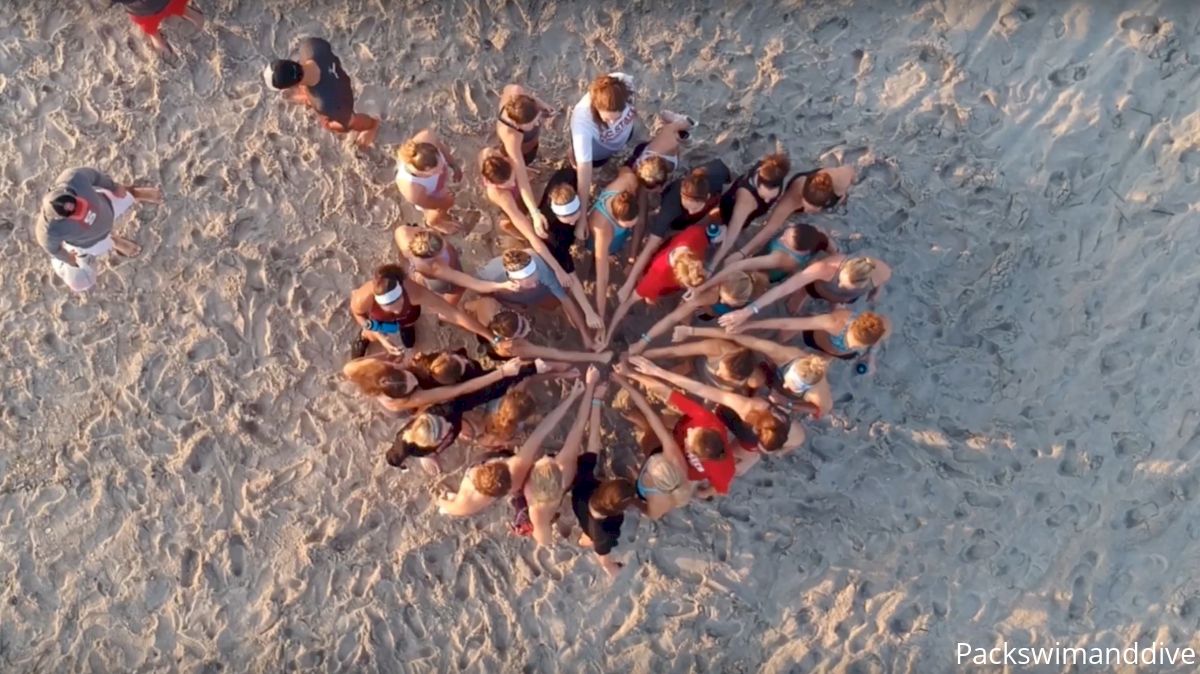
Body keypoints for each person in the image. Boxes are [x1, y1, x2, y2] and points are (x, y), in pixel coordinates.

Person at [436, 379, 587, 518]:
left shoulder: (467, 503)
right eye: (501, 460)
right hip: (511, 476)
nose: (500, 459)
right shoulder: (516, 466)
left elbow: (450, 507)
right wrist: (571, 397)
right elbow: (544, 428)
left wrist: (440, 501)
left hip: (479, 485)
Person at [627, 356, 805, 466]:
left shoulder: (753, 409)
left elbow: (701, 389)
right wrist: (772, 451)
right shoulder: (758, 412)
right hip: (747, 436)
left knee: (734, 457)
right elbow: (797, 439)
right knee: (737, 455)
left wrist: (658, 371)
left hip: (748, 438)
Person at [386, 359, 543, 474]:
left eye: (441, 425)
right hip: (425, 448)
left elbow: (484, 391)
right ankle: (429, 455)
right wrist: (424, 456)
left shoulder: (449, 409)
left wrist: (530, 369)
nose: (445, 429)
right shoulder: (405, 442)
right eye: (440, 435)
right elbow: (393, 457)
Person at [617, 161, 731, 313]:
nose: (691, 211)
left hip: (703, 215)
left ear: (707, 196)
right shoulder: (670, 210)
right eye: (687, 206)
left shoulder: (717, 173)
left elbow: (727, 182)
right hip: (678, 220)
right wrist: (629, 283)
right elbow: (650, 247)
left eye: (695, 207)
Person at [615, 365, 738, 498]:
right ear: (705, 429)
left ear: (696, 455)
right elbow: (668, 393)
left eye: (690, 438)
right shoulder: (705, 418)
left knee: (650, 448)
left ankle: (647, 427)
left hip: (678, 468)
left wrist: (703, 493)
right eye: (693, 431)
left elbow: (720, 487)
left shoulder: (725, 469)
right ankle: (651, 425)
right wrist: (631, 373)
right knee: (664, 421)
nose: (690, 432)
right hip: (678, 428)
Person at [36, 167, 162, 293]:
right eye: (73, 213)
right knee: (106, 244)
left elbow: (96, 177)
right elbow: (52, 248)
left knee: (125, 193)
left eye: (77, 203)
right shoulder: (48, 230)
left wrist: (114, 187)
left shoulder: (74, 178)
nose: (80, 210)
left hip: (107, 205)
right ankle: (115, 241)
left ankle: (135, 193)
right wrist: (67, 258)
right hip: (91, 241)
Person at [520, 367, 603, 544]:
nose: (546, 458)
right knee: (580, 442)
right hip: (565, 483)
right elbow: (579, 424)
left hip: (549, 503)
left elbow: (544, 540)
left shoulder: (535, 507)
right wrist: (589, 386)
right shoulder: (565, 472)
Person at [675, 326, 833, 417]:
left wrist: (789, 403)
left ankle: (829, 355)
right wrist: (691, 331)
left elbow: (822, 410)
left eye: (794, 387)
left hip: (784, 397)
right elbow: (739, 337)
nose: (785, 386)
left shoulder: (817, 394)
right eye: (788, 381)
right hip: (772, 370)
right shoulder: (783, 355)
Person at [588, 155, 672, 320]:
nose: (633, 226)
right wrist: (601, 315)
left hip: (616, 230)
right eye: (629, 225)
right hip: (600, 236)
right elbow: (603, 278)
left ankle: (615, 251)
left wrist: (632, 259)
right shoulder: (603, 231)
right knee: (599, 263)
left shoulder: (630, 180)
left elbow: (640, 222)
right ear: (618, 220)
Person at [721, 165, 855, 268]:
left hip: (828, 192)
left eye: (814, 209)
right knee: (779, 219)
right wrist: (742, 253)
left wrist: (844, 196)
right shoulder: (795, 194)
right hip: (799, 193)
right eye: (807, 206)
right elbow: (771, 227)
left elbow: (851, 172)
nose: (808, 211)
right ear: (802, 197)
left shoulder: (840, 179)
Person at [348, 264, 496, 357]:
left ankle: (406, 327)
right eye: (389, 307)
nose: (396, 310)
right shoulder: (362, 298)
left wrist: (491, 337)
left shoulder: (415, 293)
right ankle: (364, 338)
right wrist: (379, 336)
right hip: (380, 321)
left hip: (408, 316)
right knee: (371, 332)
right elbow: (358, 314)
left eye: (399, 302)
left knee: (408, 320)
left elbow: (455, 315)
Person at [719, 255, 891, 332]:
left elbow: (880, 282)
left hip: (844, 298)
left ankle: (835, 303)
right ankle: (805, 293)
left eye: (846, 284)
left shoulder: (881, 271)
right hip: (819, 287)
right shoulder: (825, 269)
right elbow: (784, 288)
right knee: (803, 297)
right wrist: (748, 310)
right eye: (840, 279)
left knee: (838, 309)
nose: (840, 283)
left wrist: (876, 291)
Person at [604, 221, 710, 345]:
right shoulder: (655, 280)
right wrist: (608, 335)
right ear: (678, 278)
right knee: (650, 300)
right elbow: (626, 303)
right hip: (655, 277)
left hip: (669, 247)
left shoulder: (695, 234)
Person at [263, 38, 379, 148]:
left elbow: (350, 119)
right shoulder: (310, 46)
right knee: (316, 93)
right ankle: (308, 96)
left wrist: (346, 123)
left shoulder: (323, 104)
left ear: (292, 85)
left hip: (341, 98)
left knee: (329, 124)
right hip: (338, 74)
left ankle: (372, 125)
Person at [570, 409, 643, 578]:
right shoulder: (605, 534)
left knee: (588, 532)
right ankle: (585, 539)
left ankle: (584, 537)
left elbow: (593, 442)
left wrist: (596, 403)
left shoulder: (583, 482)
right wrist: (610, 567)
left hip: (581, 507)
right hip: (593, 531)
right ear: (619, 511)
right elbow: (602, 554)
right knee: (591, 539)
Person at [476, 249, 597, 349]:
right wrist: (509, 305)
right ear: (513, 281)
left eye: (536, 280)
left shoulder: (542, 270)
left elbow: (566, 300)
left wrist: (584, 334)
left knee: (554, 302)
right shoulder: (490, 275)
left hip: (535, 296)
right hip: (508, 299)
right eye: (529, 283)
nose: (534, 285)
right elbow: (482, 293)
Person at [343, 351, 526, 415]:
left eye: (407, 375)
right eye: (411, 385)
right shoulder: (400, 401)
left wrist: (386, 354)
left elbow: (349, 367)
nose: (414, 379)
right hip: (404, 407)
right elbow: (461, 389)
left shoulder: (374, 366)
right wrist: (502, 372)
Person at [611, 374, 694, 517]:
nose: (646, 465)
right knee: (651, 440)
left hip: (645, 488)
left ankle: (646, 428)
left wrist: (634, 501)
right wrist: (626, 384)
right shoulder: (674, 457)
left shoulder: (659, 501)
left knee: (649, 444)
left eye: (647, 470)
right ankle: (646, 427)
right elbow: (651, 415)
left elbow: (651, 514)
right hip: (665, 451)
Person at [569, 73, 641, 236]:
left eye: (618, 117)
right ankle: (573, 151)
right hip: (599, 152)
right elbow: (585, 170)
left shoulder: (624, 81)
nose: (613, 123)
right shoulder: (582, 121)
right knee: (587, 162)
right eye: (608, 119)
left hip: (621, 140)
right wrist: (582, 219)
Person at [628, 271, 763, 355]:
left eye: (726, 301)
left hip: (712, 309)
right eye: (722, 298)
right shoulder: (710, 295)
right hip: (699, 304)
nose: (721, 300)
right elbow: (672, 318)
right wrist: (643, 341)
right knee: (680, 324)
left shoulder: (749, 283)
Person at [731, 309, 892, 375]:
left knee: (826, 359)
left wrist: (871, 357)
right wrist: (749, 324)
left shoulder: (881, 329)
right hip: (814, 337)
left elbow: (876, 341)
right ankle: (774, 345)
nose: (853, 346)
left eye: (859, 347)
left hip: (835, 353)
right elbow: (786, 323)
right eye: (853, 342)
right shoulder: (834, 322)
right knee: (789, 330)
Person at [462, 297, 614, 365]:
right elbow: (557, 354)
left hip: (489, 322)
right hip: (498, 347)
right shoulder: (514, 347)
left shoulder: (489, 303)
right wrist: (597, 358)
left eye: (523, 322)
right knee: (537, 360)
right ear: (511, 338)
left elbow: (468, 305)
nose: (526, 327)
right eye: (522, 330)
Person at [709, 153, 792, 270]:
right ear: (757, 184)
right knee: (729, 226)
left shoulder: (771, 170)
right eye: (764, 197)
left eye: (772, 198)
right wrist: (712, 265)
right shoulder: (746, 201)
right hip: (732, 206)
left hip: (748, 203)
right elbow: (730, 238)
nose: (768, 200)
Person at [393, 226, 514, 305]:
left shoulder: (404, 237)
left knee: (421, 276)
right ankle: (445, 313)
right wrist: (502, 285)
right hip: (440, 281)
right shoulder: (439, 268)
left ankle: (419, 277)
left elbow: (399, 230)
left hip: (420, 269)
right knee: (458, 290)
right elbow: (475, 284)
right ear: (434, 256)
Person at [495, 84, 558, 233]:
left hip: (530, 142)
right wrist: (535, 213)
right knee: (517, 175)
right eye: (534, 123)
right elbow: (522, 179)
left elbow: (524, 95)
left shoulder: (515, 92)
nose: (538, 123)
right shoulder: (512, 137)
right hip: (520, 150)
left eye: (538, 119)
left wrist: (542, 105)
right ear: (517, 124)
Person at [637, 337, 765, 397]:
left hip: (711, 391)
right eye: (720, 368)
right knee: (677, 371)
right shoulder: (717, 348)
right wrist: (642, 354)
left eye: (724, 374)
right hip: (696, 366)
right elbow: (673, 351)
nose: (717, 373)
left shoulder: (755, 380)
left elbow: (748, 393)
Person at [394, 129, 463, 234]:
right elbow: (431, 204)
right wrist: (446, 202)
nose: (441, 171)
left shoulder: (428, 137)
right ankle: (434, 223)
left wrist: (453, 165)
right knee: (435, 212)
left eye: (441, 163)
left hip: (437, 184)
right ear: (424, 171)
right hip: (429, 194)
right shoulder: (413, 190)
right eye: (435, 171)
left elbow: (442, 149)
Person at [110, 0, 203, 57]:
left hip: (142, 10)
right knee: (178, 6)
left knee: (149, 25)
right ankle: (194, 16)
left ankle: (158, 41)